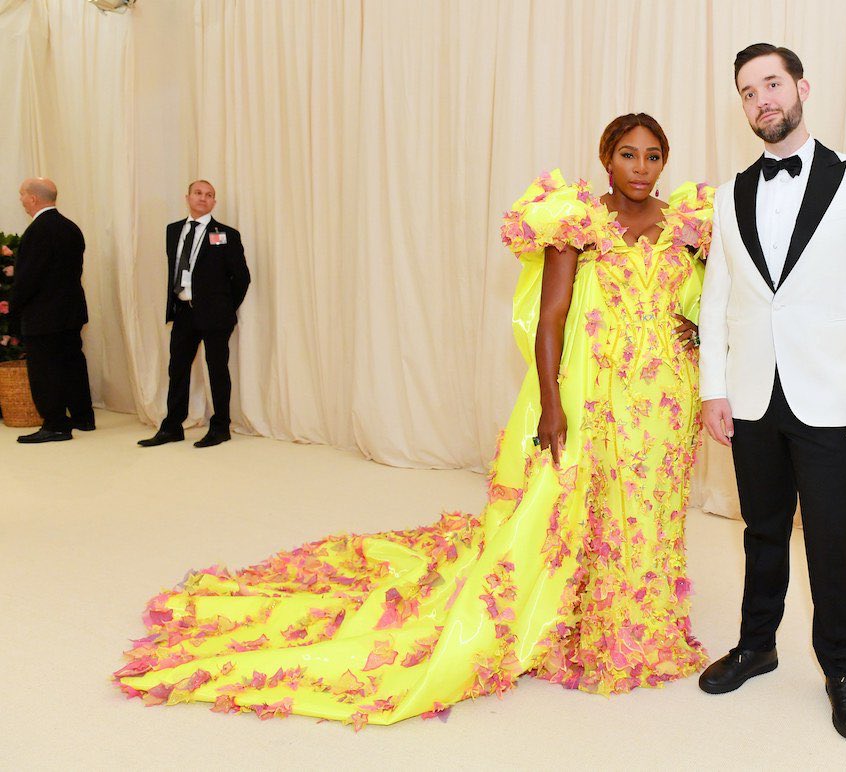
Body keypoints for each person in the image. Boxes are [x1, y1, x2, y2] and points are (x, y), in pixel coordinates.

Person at [114, 114, 714, 728]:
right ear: (606, 159)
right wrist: (552, 404)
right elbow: (551, 318)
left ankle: (647, 618)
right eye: (628, 154)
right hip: (595, 392)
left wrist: (701, 331)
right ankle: (593, 620)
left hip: (665, 394)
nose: (641, 168)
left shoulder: (687, 224)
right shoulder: (575, 222)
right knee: (589, 503)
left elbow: (723, 296)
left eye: (653, 156)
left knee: (651, 505)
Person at [696, 44, 846, 742]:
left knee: (831, 540)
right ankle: (757, 645)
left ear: (801, 88)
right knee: (760, 531)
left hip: (834, 396)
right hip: (752, 396)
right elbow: (717, 299)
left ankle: (841, 669)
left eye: (772, 84)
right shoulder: (729, 194)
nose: (762, 99)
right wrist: (714, 389)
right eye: (748, 91)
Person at [138, 180, 251, 449]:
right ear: (187, 197)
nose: (203, 198)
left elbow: (242, 278)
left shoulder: (226, 234)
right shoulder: (173, 230)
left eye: (209, 195)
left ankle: (220, 427)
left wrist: (225, 307)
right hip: (183, 312)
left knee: (217, 369)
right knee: (177, 369)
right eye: (198, 193)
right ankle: (172, 427)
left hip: (215, 315)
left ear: (214, 202)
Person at [9, 178, 94, 443]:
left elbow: (28, 279)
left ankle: (55, 424)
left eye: (22, 194)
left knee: (45, 369)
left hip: (43, 314)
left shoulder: (37, 231)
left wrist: (14, 312)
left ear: (33, 198)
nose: (21, 199)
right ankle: (83, 417)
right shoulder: (71, 227)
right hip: (71, 311)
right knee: (72, 362)